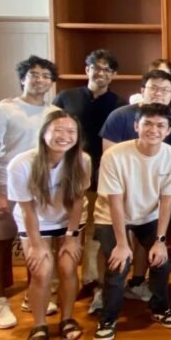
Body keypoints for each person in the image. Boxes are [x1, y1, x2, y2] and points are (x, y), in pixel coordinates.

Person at [93, 103, 171, 340]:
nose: (153, 130)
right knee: (118, 265)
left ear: (168, 131)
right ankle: (108, 318)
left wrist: (161, 241)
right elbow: (114, 202)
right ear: (136, 126)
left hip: (148, 215)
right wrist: (123, 244)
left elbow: (167, 202)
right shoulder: (114, 155)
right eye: (147, 124)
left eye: (160, 125)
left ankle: (160, 308)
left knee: (162, 261)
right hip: (111, 216)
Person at [0, 55, 61, 329]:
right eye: (34, 74)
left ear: (52, 82)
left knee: (36, 242)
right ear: (23, 78)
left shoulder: (52, 113)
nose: (40, 80)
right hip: (6, 186)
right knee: (0, 240)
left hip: (39, 187)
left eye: (46, 76)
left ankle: (32, 294)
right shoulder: (3, 110)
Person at [6, 111, 90, 340]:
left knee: (67, 266)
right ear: (44, 133)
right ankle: (39, 324)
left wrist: (72, 238)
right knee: (42, 270)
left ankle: (67, 318)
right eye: (58, 130)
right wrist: (35, 244)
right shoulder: (21, 164)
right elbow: (27, 209)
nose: (64, 136)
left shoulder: (82, 160)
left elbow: (77, 201)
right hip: (35, 222)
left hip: (68, 220)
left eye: (71, 131)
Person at [99, 69, 171, 305]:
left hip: (147, 207)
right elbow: (110, 160)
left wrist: (161, 240)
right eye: (153, 88)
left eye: (165, 90)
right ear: (142, 90)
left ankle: (139, 285)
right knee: (115, 258)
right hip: (114, 202)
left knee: (155, 254)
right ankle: (104, 299)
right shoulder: (120, 116)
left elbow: (165, 185)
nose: (158, 93)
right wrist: (122, 242)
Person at [51, 49, 121, 301]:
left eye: (106, 70)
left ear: (113, 75)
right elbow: (50, 132)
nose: (100, 73)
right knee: (62, 226)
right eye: (96, 67)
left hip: (100, 174)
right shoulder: (65, 98)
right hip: (64, 173)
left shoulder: (118, 104)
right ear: (87, 69)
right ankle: (59, 281)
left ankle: (90, 278)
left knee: (92, 228)